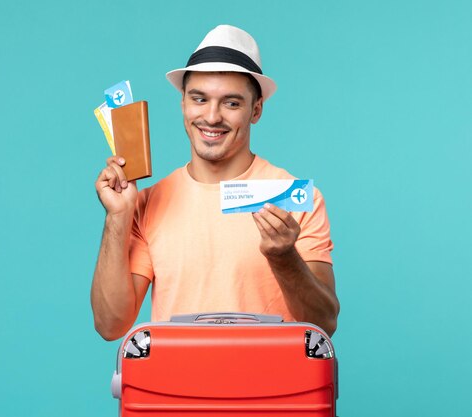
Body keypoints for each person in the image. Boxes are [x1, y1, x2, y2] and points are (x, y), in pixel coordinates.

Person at [91, 25, 340, 341]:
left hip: (273, 385)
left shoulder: (297, 199)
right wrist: (118, 217)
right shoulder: (148, 203)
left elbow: (324, 322)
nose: (211, 117)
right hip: (176, 386)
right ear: (183, 103)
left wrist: (284, 257)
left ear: (256, 110)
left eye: (231, 103)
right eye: (199, 98)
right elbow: (110, 324)